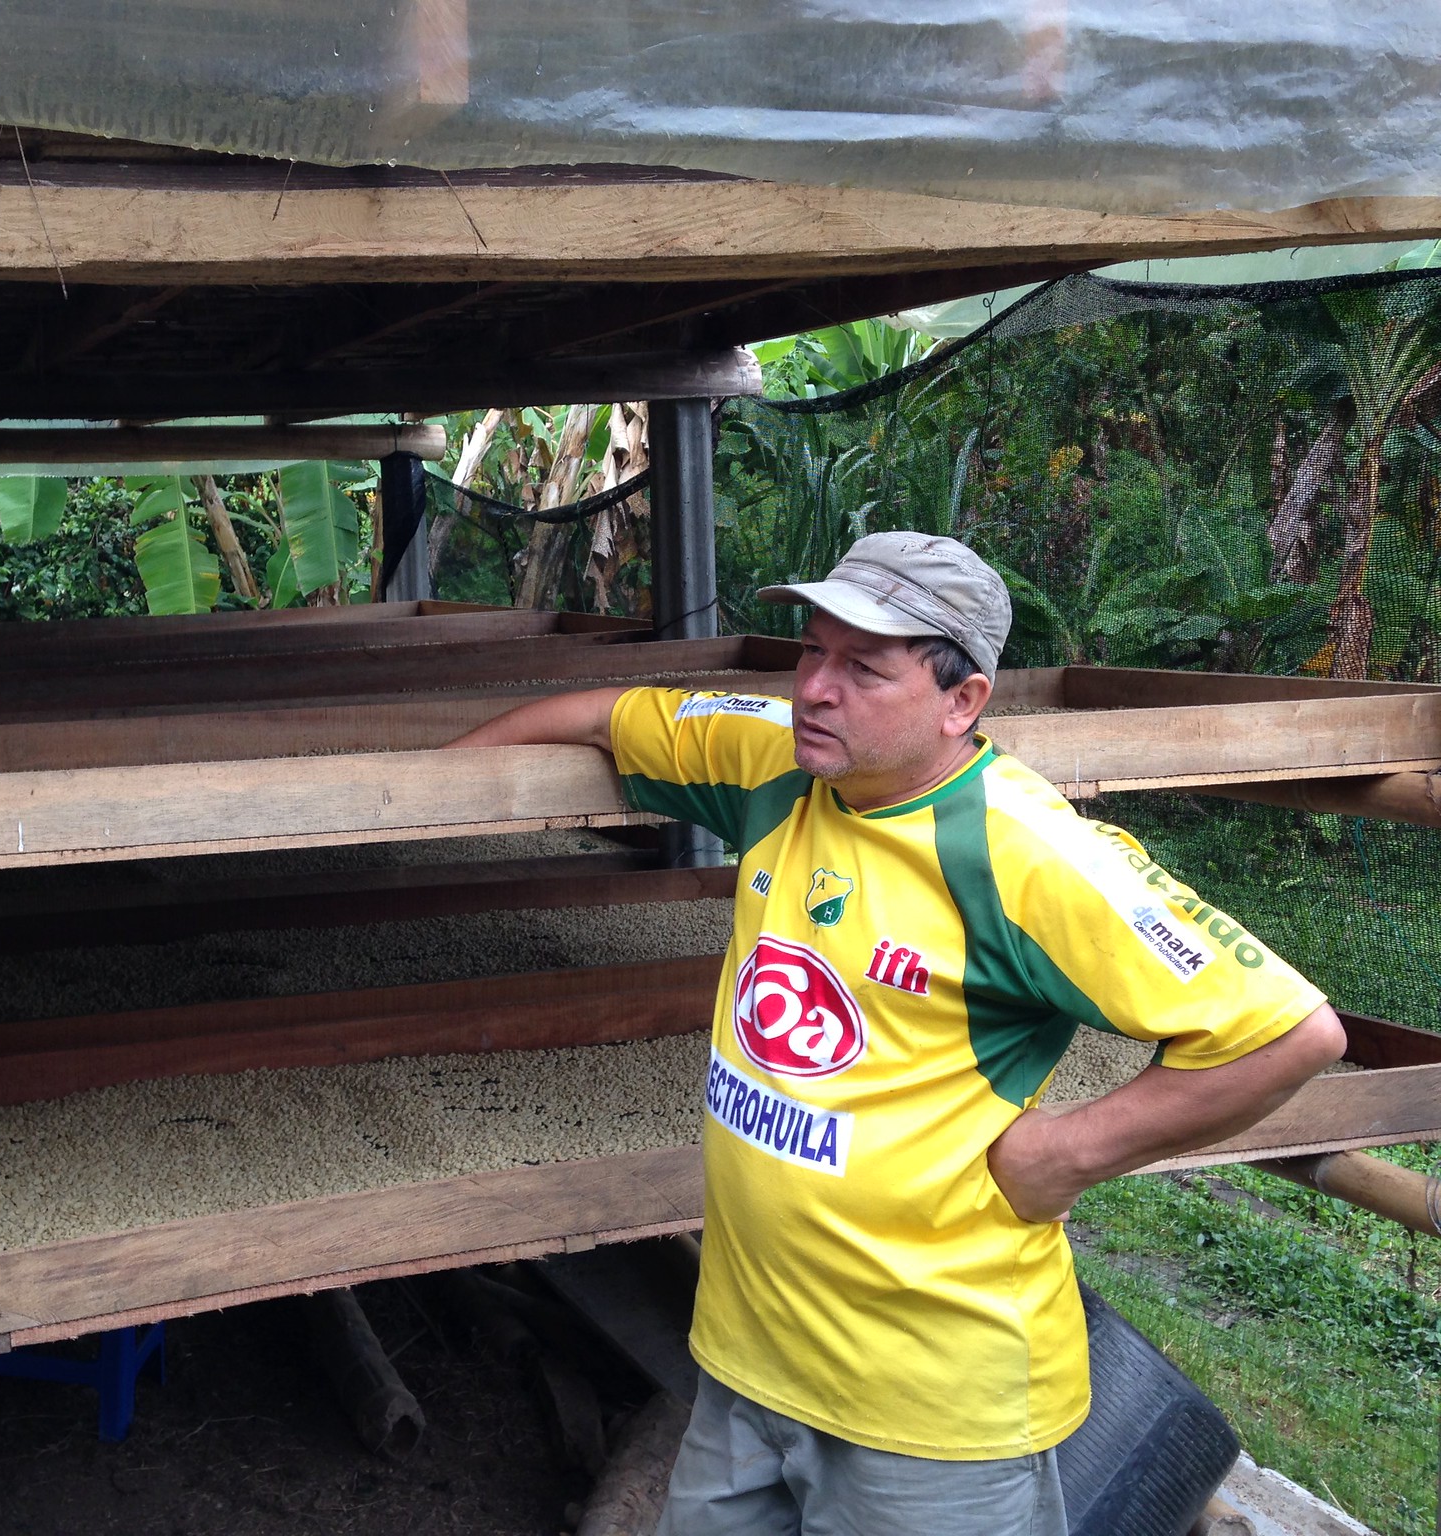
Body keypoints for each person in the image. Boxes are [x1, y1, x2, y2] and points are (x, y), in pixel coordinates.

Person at [446, 531, 1345, 1536]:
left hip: (927, 1409)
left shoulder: (1021, 852)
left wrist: (1064, 1153)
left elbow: (1288, 1032)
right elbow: (605, 716)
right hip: (747, 1361)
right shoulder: (783, 762)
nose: (816, 689)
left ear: (962, 703)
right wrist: (422, 797)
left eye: (863, 669)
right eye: (810, 652)